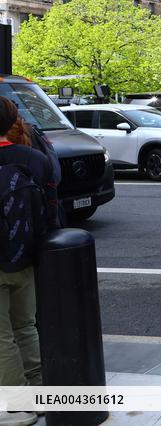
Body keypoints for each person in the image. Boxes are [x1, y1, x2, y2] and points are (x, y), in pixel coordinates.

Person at [0, 97, 62, 426]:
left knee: (1, 334)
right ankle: (38, 395)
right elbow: (52, 210)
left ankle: (18, 406)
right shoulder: (35, 158)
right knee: (25, 325)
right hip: (26, 255)